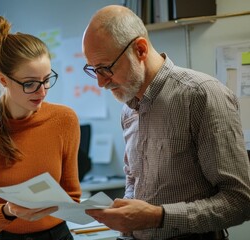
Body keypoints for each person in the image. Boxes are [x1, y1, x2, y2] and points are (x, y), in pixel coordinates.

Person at [82, 5, 250, 240]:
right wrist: (125, 214)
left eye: (106, 68)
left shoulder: (201, 95)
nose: (100, 83)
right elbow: (134, 180)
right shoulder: (128, 109)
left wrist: (159, 216)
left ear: (140, 49)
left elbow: (240, 201)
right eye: (93, 70)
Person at [0, 16, 81, 240]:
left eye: (46, 79)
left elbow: (72, 197)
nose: (42, 91)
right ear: (3, 80)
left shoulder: (65, 120)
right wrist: (8, 211)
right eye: (30, 83)